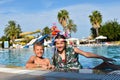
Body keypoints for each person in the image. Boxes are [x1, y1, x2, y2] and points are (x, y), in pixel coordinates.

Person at [52, 34, 120, 71]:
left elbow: (86, 54)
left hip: (78, 72)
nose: (59, 45)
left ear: (65, 43)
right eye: (57, 43)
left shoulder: (72, 49)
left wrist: (101, 57)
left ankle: (106, 65)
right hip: (66, 74)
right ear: (55, 44)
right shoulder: (55, 56)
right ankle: (104, 65)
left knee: (93, 72)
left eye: (61, 43)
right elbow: (53, 67)